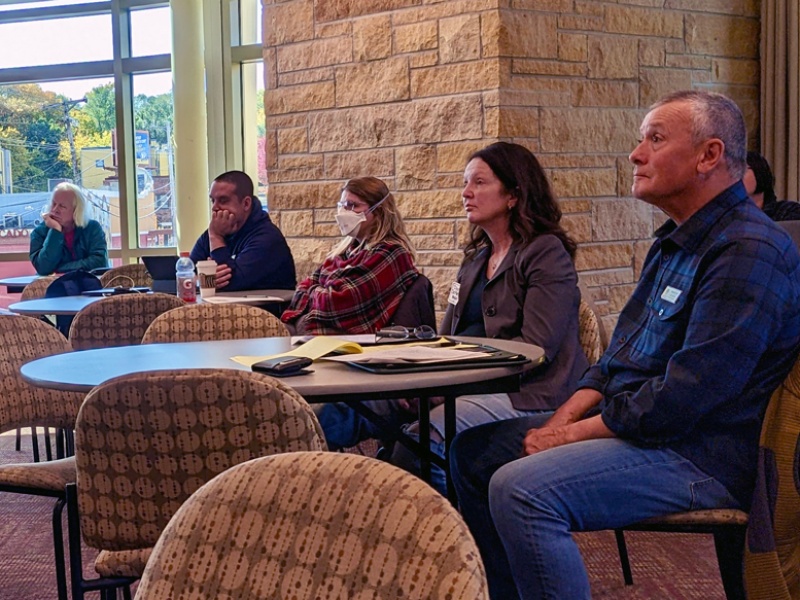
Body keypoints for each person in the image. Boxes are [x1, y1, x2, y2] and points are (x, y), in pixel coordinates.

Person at [450, 91, 800, 600]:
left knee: (521, 489)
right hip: (645, 430)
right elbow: (617, 358)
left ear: (709, 155)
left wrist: (569, 438)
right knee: (473, 451)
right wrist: (560, 420)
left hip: (703, 453)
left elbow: (689, 396)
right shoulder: (673, 241)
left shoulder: (750, 249)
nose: (636, 154)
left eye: (655, 139)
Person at [315, 143, 589, 497]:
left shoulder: (545, 253)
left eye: (478, 182)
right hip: (461, 386)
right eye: (464, 182)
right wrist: (421, 384)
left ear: (513, 194)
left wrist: (448, 389)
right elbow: (446, 340)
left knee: (414, 449)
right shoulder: (476, 258)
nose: (465, 192)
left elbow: (536, 349)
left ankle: (449, 539)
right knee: (336, 412)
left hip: (526, 392)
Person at [281, 176, 419, 334]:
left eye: (352, 205)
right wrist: (320, 291)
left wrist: (315, 292)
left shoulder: (391, 253)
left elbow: (336, 303)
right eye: (342, 205)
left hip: (353, 343)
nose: (343, 212)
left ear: (378, 211)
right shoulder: (346, 250)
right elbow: (303, 287)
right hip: (315, 331)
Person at [190, 170, 296, 291]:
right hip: (225, 308)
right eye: (213, 200)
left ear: (246, 204)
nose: (214, 207)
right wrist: (202, 280)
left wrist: (216, 237)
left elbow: (231, 285)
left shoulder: (267, 238)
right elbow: (186, 274)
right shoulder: (216, 230)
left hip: (265, 309)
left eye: (223, 200)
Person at [29, 182, 108, 275]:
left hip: (89, 285)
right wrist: (55, 231)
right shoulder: (39, 232)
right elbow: (43, 268)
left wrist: (60, 269)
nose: (55, 210)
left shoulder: (92, 228)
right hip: (54, 287)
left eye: (62, 206)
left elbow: (99, 262)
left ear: (76, 210)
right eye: (53, 204)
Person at [743, 150, 800, 221]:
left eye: (742, 170)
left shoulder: (788, 211)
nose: (736, 177)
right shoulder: (728, 217)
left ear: (760, 171)